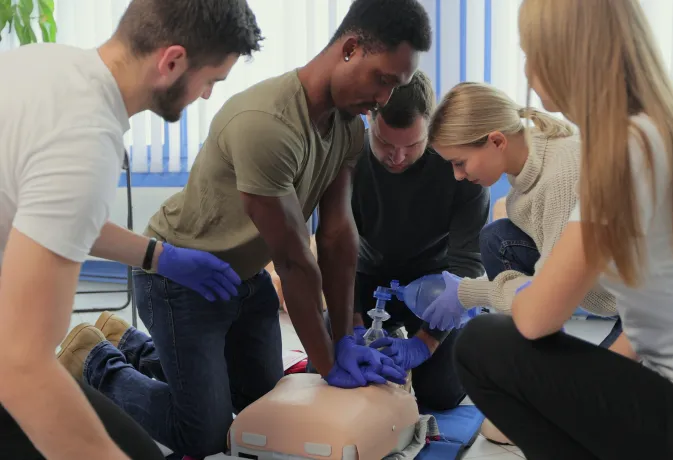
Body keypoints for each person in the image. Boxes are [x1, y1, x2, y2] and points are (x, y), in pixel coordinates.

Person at [60, 0, 433, 457]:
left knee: (261, 407)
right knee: (204, 433)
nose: (383, 100)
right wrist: (327, 361)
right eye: (382, 80)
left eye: (395, 88)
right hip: (179, 280)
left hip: (244, 279)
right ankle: (93, 358)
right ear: (351, 48)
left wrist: (345, 336)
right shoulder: (268, 125)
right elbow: (295, 260)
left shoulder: (347, 128)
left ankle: (129, 342)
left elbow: (337, 236)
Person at [452, 0, 673, 459]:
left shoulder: (622, 150)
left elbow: (535, 319)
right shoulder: (664, 133)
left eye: (531, 52)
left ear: (565, 54)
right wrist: (578, 398)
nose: (528, 70)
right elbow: (650, 325)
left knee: (480, 344)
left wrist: (478, 291)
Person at [0, 0, 261, 459]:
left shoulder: (49, 66)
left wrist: (159, 257)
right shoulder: (85, 138)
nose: (205, 96)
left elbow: (57, 215)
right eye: (210, 81)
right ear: (173, 61)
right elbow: (19, 363)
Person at [423, 82, 617, 332]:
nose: (457, 176)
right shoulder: (521, 189)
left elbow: (553, 291)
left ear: (496, 141)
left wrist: (468, 292)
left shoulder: (562, 173)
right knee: (497, 237)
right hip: (597, 291)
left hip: (644, 307)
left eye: (460, 163)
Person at [348, 70, 489, 410]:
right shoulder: (348, 158)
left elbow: (467, 261)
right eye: (385, 143)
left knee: (440, 394)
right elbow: (335, 248)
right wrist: (350, 327)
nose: (397, 157)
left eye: (411, 145)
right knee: (339, 374)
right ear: (370, 117)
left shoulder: (460, 165)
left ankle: (475, 328)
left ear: (431, 126)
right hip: (365, 276)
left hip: (435, 287)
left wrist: (425, 344)